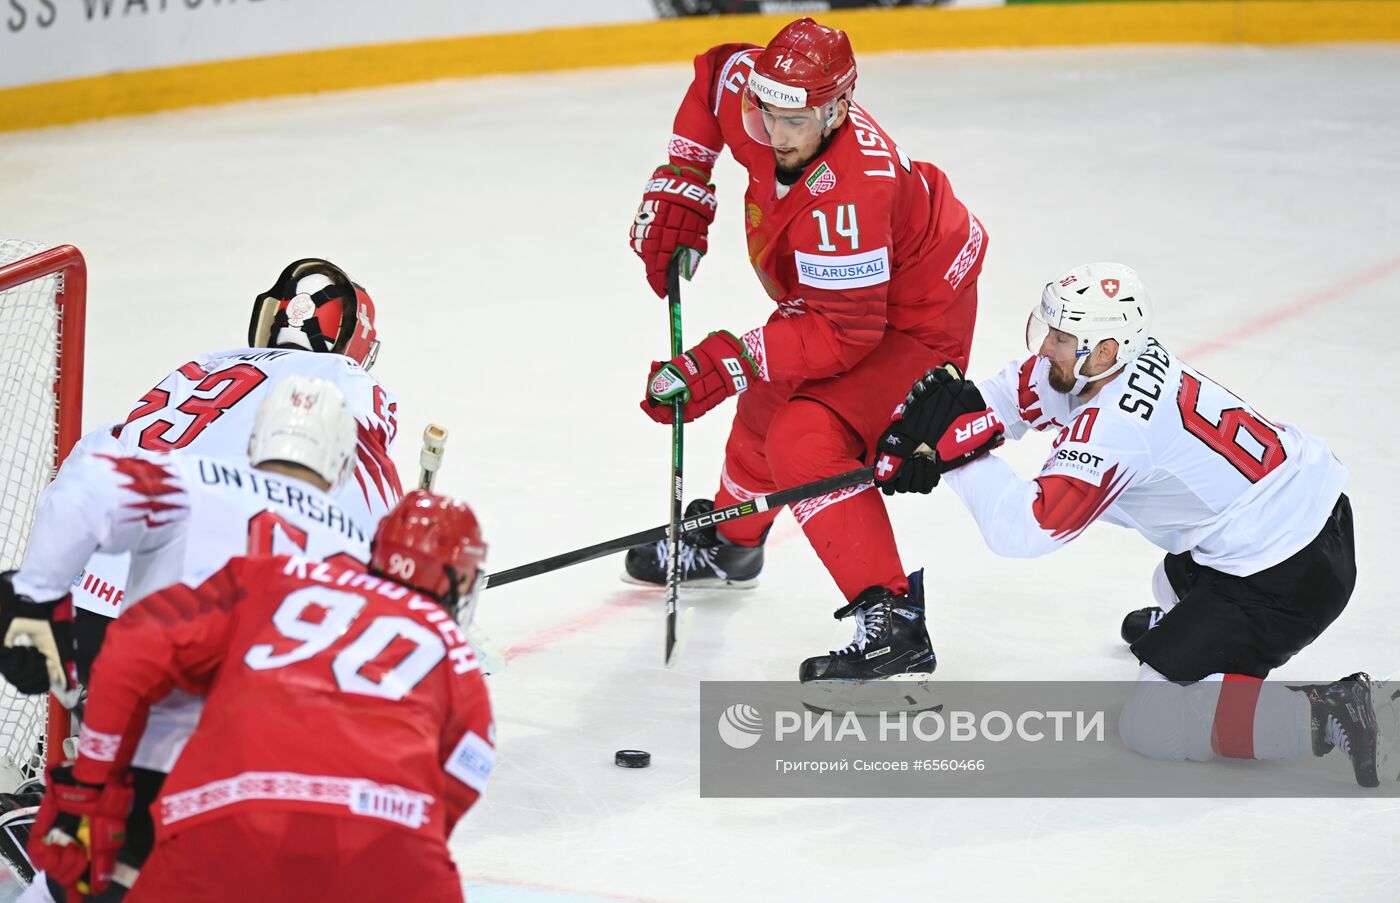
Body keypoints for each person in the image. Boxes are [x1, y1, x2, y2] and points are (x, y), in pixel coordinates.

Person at [873, 261, 1394, 787]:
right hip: (1295, 519)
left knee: (1154, 725)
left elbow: (1024, 529)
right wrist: (944, 431)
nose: (1045, 348)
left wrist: (954, 456)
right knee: (1166, 582)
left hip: (1289, 575)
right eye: (1049, 331)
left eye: (1060, 337)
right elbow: (1013, 394)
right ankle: (1193, 630)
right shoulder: (1108, 363)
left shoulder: (1119, 425)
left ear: (1104, 351)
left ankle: (1325, 713)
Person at [625, 16, 987, 684]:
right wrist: (684, 174)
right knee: (769, 391)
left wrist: (729, 357)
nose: (776, 135)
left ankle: (895, 619)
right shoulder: (759, 96)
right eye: (766, 115)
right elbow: (712, 78)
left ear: (839, 108)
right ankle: (733, 547)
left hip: (910, 318)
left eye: (796, 122)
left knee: (803, 434)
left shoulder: (851, 193)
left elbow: (842, 334)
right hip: (837, 297)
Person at [0, 376, 375, 899]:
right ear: (341, 464)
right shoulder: (361, 541)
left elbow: (78, 499)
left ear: (254, 441)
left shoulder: (192, 475)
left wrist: (35, 600)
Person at [29, 490, 492, 903]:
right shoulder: (458, 657)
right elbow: (459, 787)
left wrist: (93, 781)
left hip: (224, 825)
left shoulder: (278, 577)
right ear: (462, 582)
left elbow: (130, 650)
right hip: (387, 851)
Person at [17, 257, 401, 679]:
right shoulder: (340, 379)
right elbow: (364, 483)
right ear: (357, 344)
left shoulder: (204, 365)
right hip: (176, 619)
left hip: (76, 601)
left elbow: (98, 451)